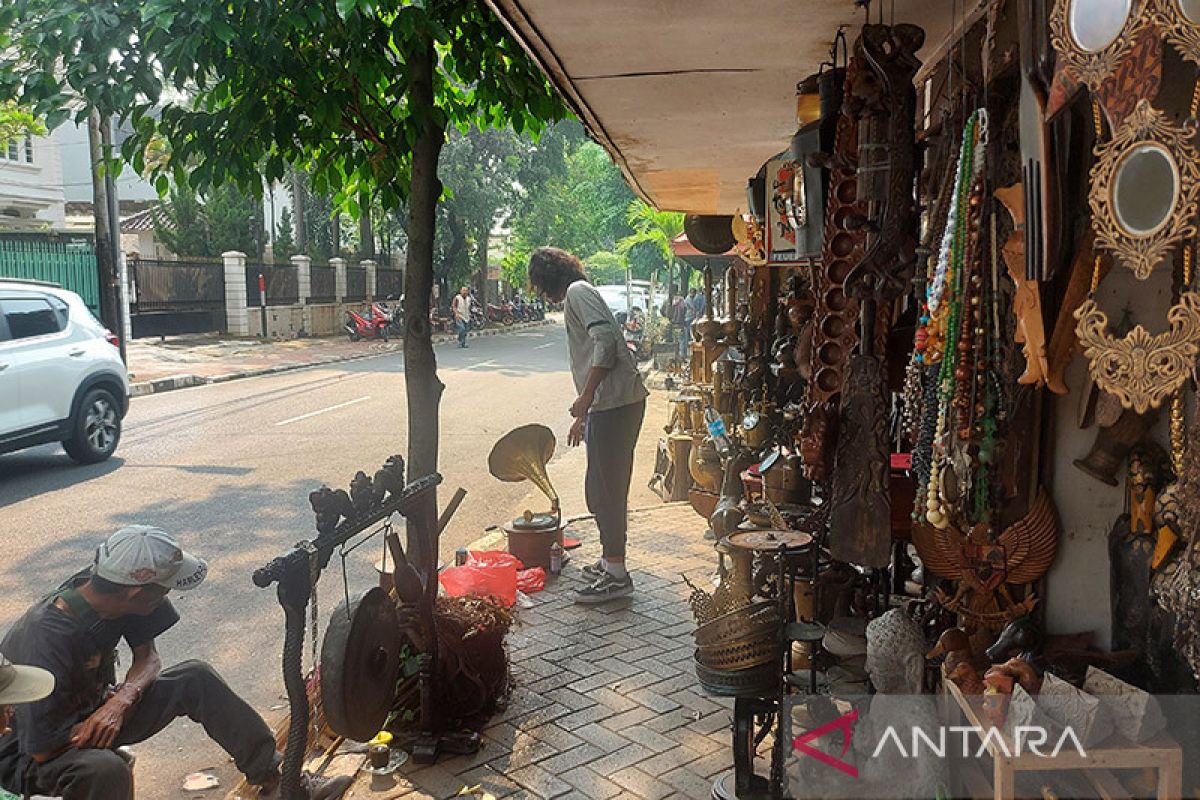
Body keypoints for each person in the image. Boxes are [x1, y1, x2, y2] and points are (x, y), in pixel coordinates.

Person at [0, 526, 349, 800]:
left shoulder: (117, 592)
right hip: (29, 748)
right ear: (138, 593)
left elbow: (148, 658)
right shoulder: (46, 639)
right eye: (164, 591)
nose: (167, 598)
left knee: (195, 678)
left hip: (96, 711)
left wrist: (122, 700)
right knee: (105, 770)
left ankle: (278, 781)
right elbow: (43, 750)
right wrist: (98, 722)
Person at [528, 247, 649, 604]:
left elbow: (606, 343)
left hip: (617, 406)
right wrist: (585, 414)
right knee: (598, 490)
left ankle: (617, 573)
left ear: (547, 279)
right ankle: (609, 561)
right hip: (609, 407)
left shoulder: (578, 292)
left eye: (538, 284)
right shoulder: (581, 293)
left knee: (608, 491)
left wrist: (586, 398)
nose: (539, 292)